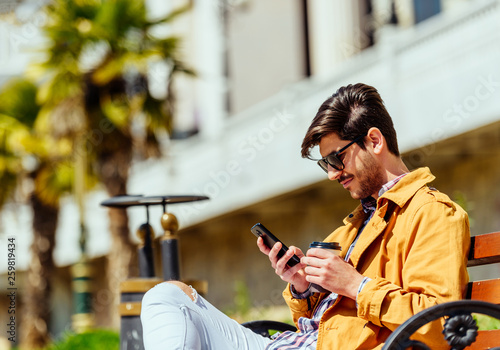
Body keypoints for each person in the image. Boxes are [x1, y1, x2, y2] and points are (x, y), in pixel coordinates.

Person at [140, 83, 470, 350]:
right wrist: (301, 286)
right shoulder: (355, 225)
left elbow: (438, 322)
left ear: (374, 140)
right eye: (325, 164)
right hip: (289, 343)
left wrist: (355, 284)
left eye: (337, 159)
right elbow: (320, 319)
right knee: (167, 296)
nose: (332, 174)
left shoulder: (432, 214)